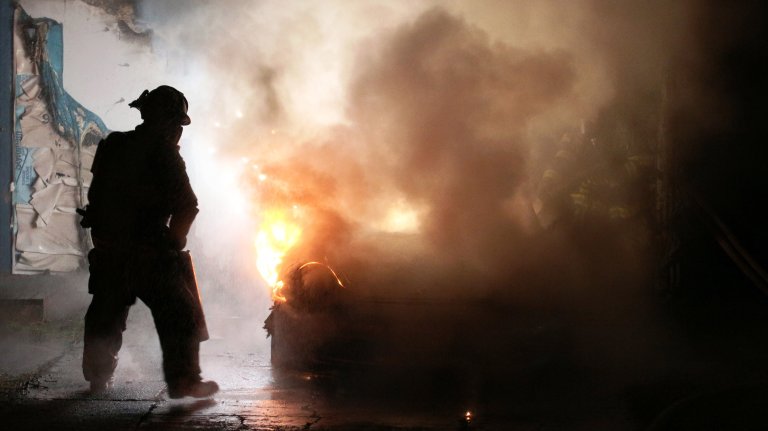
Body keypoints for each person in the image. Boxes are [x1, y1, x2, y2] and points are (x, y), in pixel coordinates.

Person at [78, 85, 218, 398]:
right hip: (149, 252)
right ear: (168, 123)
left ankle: (98, 377)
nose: (178, 132)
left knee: (105, 315)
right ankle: (184, 380)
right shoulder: (164, 153)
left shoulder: (114, 144)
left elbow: (96, 195)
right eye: (177, 125)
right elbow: (188, 205)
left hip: (111, 248)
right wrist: (174, 242)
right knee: (181, 314)